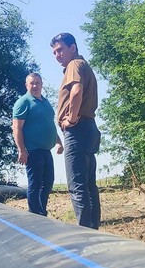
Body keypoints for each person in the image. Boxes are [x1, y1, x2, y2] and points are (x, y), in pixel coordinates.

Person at [52, 33, 101, 229]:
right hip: (89, 128)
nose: (57, 55)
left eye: (60, 49)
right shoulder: (84, 65)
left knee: (77, 185)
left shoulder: (74, 65)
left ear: (73, 47)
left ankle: (85, 233)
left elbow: (76, 91)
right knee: (89, 184)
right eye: (54, 52)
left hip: (77, 130)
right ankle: (94, 230)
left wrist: (71, 118)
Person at [13, 73, 63, 216]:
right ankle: (34, 214)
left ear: (42, 84)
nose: (35, 86)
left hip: (46, 150)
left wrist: (58, 142)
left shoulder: (45, 102)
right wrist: (21, 150)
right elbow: (17, 127)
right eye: (32, 83)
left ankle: (41, 211)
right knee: (35, 183)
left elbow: (49, 124)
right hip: (33, 150)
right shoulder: (24, 102)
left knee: (48, 182)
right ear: (26, 85)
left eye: (37, 83)